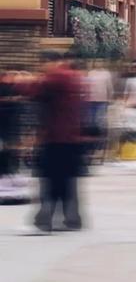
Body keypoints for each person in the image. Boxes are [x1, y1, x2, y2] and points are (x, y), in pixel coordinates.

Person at [29, 52, 86, 232]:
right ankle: (71, 218)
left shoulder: (58, 77)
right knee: (67, 181)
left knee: (51, 180)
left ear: (51, 62)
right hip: (70, 138)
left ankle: (46, 218)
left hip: (57, 138)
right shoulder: (73, 77)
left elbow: (32, 90)